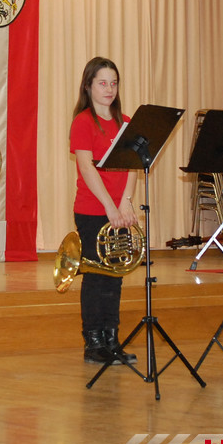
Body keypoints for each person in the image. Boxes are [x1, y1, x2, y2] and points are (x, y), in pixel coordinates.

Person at [69, 57, 139, 364]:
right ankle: (93, 342)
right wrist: (110, 207)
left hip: (119, 210)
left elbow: (133, 166)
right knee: (97, 276)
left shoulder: (126, 122)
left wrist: (126, 203)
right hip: (93, 210)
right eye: (102, 83)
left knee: (116, 276)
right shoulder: (83, 122)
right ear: (88, 86)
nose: (109, 89)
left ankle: (112, 339)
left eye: (114, 83)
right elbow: (87, 168)